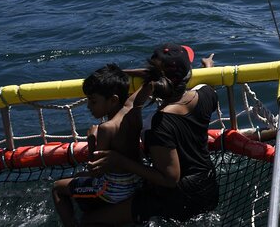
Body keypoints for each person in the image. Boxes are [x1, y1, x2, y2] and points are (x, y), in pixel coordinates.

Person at [81, 43, 219, 226]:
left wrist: (119, 160)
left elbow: (170, 178)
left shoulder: (160, 124)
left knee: (89, 220)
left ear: (154, 81)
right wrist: (208, 67)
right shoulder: (206, 93)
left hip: (178, 199)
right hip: (208, 188)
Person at [52, 64, 149, 227]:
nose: (89, 106)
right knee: (77, 178)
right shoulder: (133, 109)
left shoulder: (106, 128)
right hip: (135, 182)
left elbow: (96, 171)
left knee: (57, 188)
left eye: (93, 101)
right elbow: (151, 75)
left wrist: (91, 140)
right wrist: (120, 75)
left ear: (113, 100)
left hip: (112, 191)